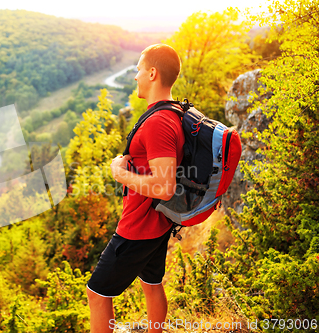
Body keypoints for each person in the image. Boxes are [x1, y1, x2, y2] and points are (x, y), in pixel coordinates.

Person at [86, 44, 185, 333]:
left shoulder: (158, 122)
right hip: (159, 221)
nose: (135, 76)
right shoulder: (174, 112)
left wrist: (119, 173)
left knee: (97, 293)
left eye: (139, 69)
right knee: (152, 284)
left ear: (152, 73)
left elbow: (165, 187)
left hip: (139, 225)